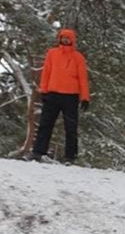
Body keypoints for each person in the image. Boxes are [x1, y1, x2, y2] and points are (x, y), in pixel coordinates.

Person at [27, 27, 90, 164]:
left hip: (71, 97)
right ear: (60, 39)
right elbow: (46, 72)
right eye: (63, 37)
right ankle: (37, 152)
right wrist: (44, 90)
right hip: (52, 94)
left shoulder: (78, 58)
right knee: (45, 124)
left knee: (71, 127)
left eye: (68, 38)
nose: (65, 40)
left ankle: (70, 157)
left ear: (72, 40)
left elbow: (83, 79)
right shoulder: (52, 53)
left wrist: (85, 97)